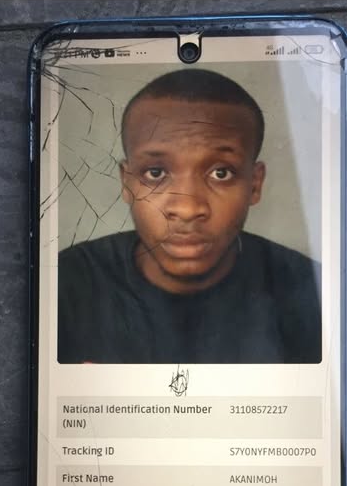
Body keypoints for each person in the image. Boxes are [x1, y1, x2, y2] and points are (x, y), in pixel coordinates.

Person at [58, 68, 321, 364]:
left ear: (254, 184)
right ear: (127, 183)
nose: (187, 209)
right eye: (155, 173)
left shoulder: (314, 295)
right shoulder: (64, 285)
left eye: (221, 173)